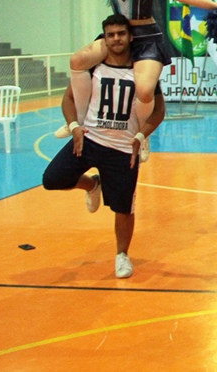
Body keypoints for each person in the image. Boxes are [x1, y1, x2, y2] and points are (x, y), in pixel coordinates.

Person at [57, 0, 217, 162]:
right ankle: (78, 124)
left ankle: (141, 134)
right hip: (118, 37)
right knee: (78, 60)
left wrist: (216, 7)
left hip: (146, 40)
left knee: (145, 91)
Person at [41, 15, 166, 278]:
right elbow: (68, 99)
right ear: (104, 38)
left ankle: (122, 255)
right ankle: (91, 184)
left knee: (123, 208)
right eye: (111, 35)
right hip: (89, 139)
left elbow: (158, 111)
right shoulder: (92, 68)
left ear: (130, 37)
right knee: (52, 179)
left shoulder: (142, 70)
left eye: (121, 33)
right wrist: (74, 125)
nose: (116, 39)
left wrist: (141, 136)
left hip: (123, 149)